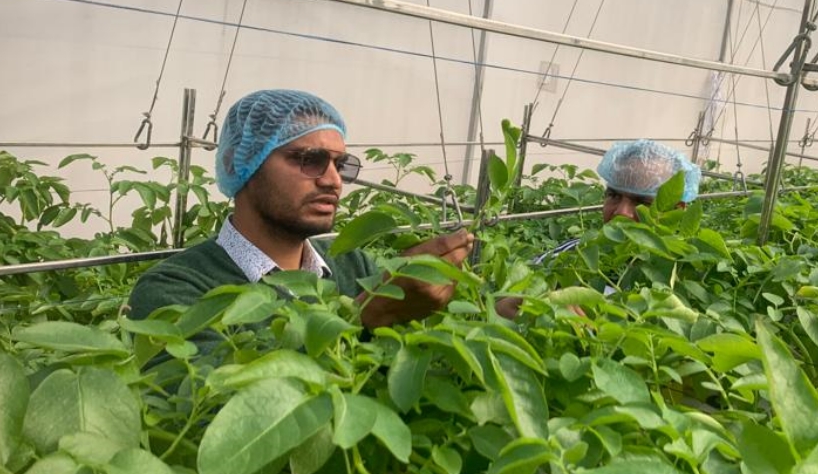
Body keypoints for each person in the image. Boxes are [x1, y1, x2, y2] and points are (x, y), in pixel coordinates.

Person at [128, 89, 473, 343]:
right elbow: (220, 421)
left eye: (340, 165)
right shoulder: (176, 290)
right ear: (238, 162)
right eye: (309, 159)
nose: (333, 180)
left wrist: (494, 321)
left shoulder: (354, 268)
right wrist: (367, 315)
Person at [496, 139, 700, 317]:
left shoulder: (687, 273)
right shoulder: (576, 254)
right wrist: (534, 309)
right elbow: (500, 306)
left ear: (676, 210)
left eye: (642, 203)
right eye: (614, 195)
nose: (621, 212)